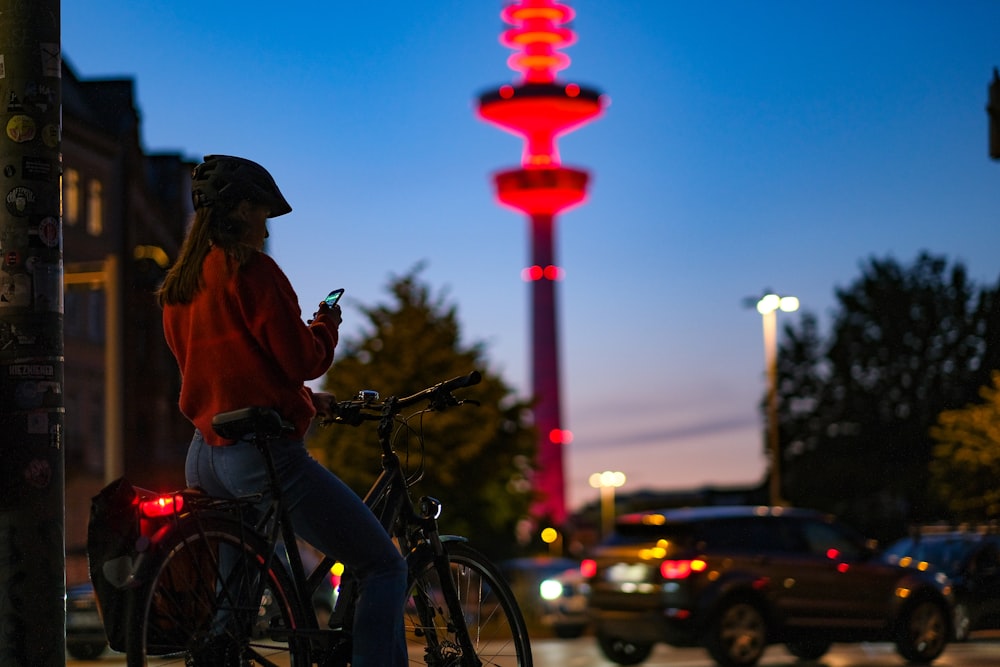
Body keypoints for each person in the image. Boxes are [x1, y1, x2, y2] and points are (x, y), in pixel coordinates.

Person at [158, 154, 407, 666]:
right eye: (264, 215)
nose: (268, 230)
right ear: (244, 208)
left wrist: (304, 402)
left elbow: (227, 371)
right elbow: (301, 358)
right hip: (261, 456)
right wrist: (326, 326)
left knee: (235, 610)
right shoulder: (250, 270)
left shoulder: (180, 286)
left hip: (204, 454)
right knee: (383, 565)